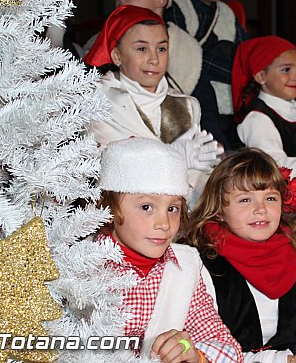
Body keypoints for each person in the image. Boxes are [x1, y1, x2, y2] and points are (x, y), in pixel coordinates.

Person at [186, 147, 296, 363]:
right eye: (245, 200)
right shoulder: (201, 266)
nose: (261, 209)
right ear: (219, 209)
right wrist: (284, 360)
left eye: (271, 198)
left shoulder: (295, 260)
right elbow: (205, 353)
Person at [96, 137, 242, 361]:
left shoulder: (185, 266)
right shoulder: (81, 263)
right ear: (111, 208)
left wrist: (192, 353)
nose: (164, 224)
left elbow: (229, 350)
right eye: (147, 207)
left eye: (173, 208)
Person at [84, 5, 223, 209]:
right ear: (116, 56)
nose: (154, 59)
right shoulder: (99, 100)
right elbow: (105, 170)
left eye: (161, 48)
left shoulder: (186, 105)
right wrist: (172, 157)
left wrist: (211, 164)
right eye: (142, 49)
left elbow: (198, 175)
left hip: (178, 217)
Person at [104, 0, 228, 149]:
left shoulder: (189, 53)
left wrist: (213, 151)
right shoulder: (97, 47)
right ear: (116, 55)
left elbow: (208, 126)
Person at [232, 36, 296, 214]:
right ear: (261, 76)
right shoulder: (257, 119)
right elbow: (274, 166)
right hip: (285, 203)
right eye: (286, 69)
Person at [164, 0, 250, 151]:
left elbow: (247, 59)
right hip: (193, 103)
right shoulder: (174, 8)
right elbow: (185, 59)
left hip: (231, 107)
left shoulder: (227, 13)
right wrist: (229, 60)